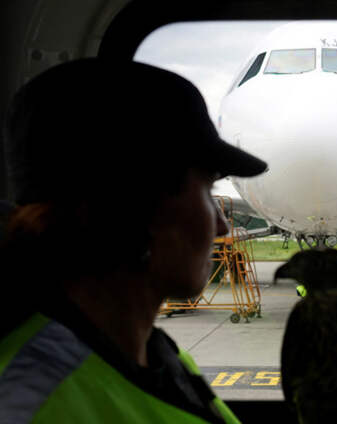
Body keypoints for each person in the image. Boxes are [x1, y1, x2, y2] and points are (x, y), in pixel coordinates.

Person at [0, 58, 267, 423]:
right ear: (138, 208)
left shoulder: (155, 356)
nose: (221, 226)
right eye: (207, 191)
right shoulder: (29, 401)